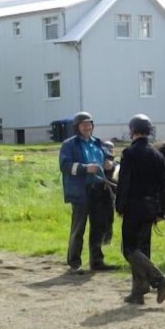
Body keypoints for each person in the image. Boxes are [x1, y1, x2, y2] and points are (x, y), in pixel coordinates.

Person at [115, 113, 165, 304]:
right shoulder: (157, 155)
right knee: (143, 250)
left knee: (129, 249)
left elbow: (125, 182)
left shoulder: (129, 154)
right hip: (151, 209)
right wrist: (161, 212)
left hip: (133, 207)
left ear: (132, 131)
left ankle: (158, 279)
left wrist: (120, 206)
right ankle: (138, 292)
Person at [59, 111, 119, 274]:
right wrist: (86, 168)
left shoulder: (98, 143)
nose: (87, 127)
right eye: (84, 124)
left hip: (99, 189)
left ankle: (96, 261)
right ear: (77, 127)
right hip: (81, 191)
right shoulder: (69, 145)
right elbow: (65, 166)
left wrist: (109, 165)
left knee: (98, 226)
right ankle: (74, 263)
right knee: (78, 227)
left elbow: (111, 160)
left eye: (89, 124)